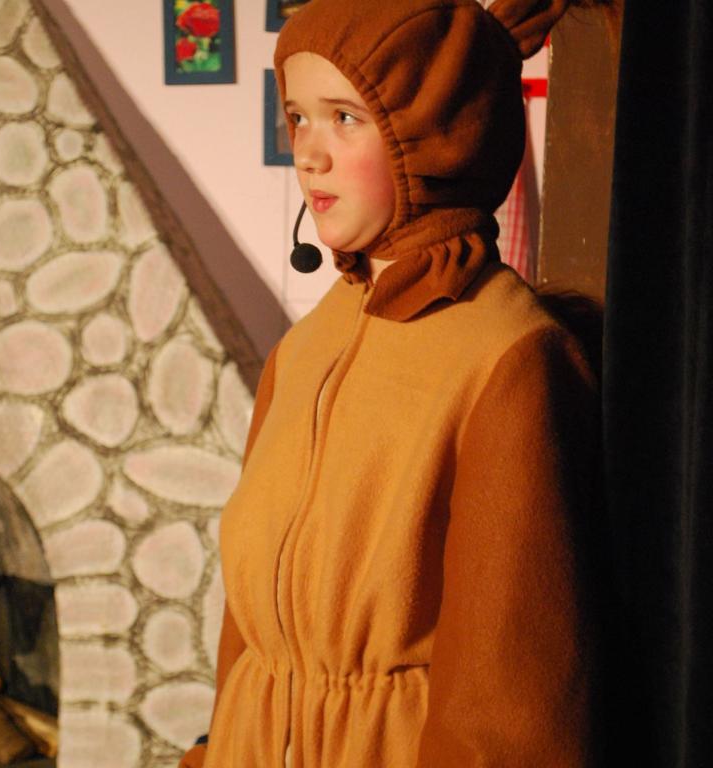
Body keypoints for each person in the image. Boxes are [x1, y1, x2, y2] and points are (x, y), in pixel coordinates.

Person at [180, 0, 605, 765]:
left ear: (434, 133)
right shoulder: (302, 350)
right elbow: (248, 631)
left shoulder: (507, 359)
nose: (309, 155)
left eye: (345, 118)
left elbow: (507, 711)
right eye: (299, 117)